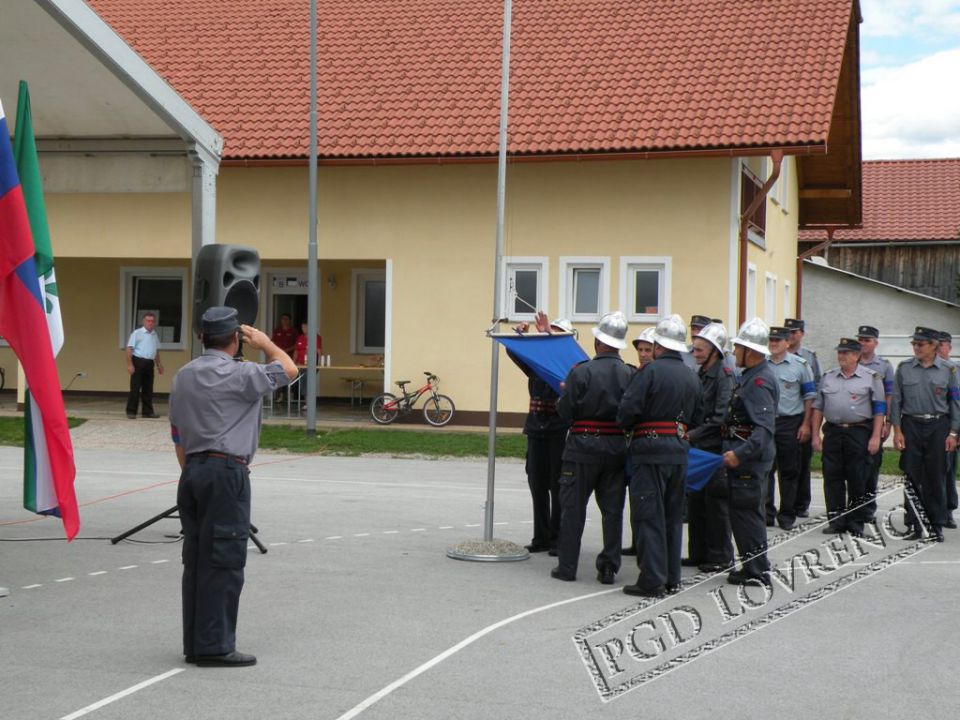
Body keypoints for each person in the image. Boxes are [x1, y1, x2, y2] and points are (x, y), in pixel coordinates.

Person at [170, 306, 298, 666]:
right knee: (224, 561)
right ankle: (215, 647)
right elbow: (289, 369)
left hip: (193, 470)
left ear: (200, 338)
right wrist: (266, 343)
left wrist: (191, 471)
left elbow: (177, 433)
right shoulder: (242, 373)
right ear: (236, 340)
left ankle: (195, 642)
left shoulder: (183, 376)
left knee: (195, 559)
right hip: (227, 471)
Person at [618, 314, 703, 597]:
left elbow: (628, 410)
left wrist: (627, 425)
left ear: (658, 345)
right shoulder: (692, 376)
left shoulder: (649, 373)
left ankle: (652, 580)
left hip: (650, 450)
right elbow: (698, 416)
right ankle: (671, 577)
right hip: (679, 451)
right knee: (672, 515)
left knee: (649, 514)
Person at [553, 311, 634, 583]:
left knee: (573, 509)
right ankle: (609, 567)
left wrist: (563, 395)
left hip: (581, 448)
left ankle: (567, 567)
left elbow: (565, 412)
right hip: (615, 448)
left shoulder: (581, 371)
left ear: (598, 341)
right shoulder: (629, 374)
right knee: (612, 511)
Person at [507, 311, 571, 555]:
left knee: (558, 486)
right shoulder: (537, 367)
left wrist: (547, 334)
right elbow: (516, 354)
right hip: (536, 429)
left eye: (555, 332)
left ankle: (557, 538)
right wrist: (520, 337)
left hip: (557, 431)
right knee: (537, 483)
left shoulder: (568, 366)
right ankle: (541, 537)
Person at [722, 318, 779, 585]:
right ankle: (752, 565)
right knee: (743, 514)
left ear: (752, 352)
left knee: (747, 514)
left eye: (739, 348)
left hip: (749, 461)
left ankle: (756, 571)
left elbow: (763, 430)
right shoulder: (752, 377)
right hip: (746, 458)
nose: (734, 353)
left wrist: (740, 454)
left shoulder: (759, 383)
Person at [891, 326, 960, 542]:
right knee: (911, 476)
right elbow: (897, 401)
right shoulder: (904, 368)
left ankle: (935, 524)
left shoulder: (949, 370)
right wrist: (897, 430)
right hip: (911, 424)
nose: (916, 348)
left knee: (936, 476)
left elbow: (955, 403)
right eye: (914, 344)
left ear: (933, 346)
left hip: (938, 426)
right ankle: (914, 524)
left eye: (920, 344)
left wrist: (953, 433)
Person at [810, 338, 885, 536]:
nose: (841, 356)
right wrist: (816, 435)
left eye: (846, 352)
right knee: (832, 477)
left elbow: (879, 409)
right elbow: (818, 407)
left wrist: (876, 436)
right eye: (840, 352)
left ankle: (855, 522)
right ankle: (836, 521)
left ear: (856, 355)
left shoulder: (871, 377)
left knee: (857, 478)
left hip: (858, 431)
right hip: (833, 431)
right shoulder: (828, 377)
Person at [685, 322, 735, 572]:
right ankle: (698, 553)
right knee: (696, 502)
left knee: (715, 505)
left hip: (713, 447)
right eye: (694, 349)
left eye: (700, 350)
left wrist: (691, 434)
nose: (696, 353)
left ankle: (720, 555)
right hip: (699, 446)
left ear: (715, 351)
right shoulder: (701, 373)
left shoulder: (723, 375)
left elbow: (720, 417)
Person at [765, 326, 815, 530]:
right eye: (771, 340)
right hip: (766, 422)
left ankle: (787, 515)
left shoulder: (800, 365)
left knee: (789, 471)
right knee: (766, 469)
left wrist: (805, 424)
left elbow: (809, 397)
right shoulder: (761, 364)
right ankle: (766, 513)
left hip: (790, 422)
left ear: (787, 343)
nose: (774, 343)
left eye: (778, 340)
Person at [856, 325, 894, 523]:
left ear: (875, 343)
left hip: (875, 421)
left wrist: (887, 422)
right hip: (856, 422)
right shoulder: (852, 360)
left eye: (867, 340)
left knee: (871, 468)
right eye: (861, 339)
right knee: (853, 468)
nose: (863, 343)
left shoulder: (884, 366)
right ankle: (852, 508)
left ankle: (868, 508)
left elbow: (889, 395)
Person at [785, 318, 820, 519]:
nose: (791, 335)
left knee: (802, 462)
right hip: (783, 415)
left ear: (802, 334)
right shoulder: (776, 354)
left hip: (801, 414)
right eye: (788, 331)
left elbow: (816, 388)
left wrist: (811, 422)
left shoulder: (809, 357)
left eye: (795, 332)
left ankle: (801, 504)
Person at [937, 331, 959, 528]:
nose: (938, 348)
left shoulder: (956, 369)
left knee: (949, 470)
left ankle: (948, 510)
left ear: (949, 348)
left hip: (951, 426)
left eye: (942, 345)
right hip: (934, 425)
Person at [125, 312, 163, 419]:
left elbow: (156, 351)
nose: (150, 323)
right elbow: (129, 349)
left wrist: (159, 365)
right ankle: (131, 411)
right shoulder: (137, 333)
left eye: (152, 321)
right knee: (135, 388)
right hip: (138, 362)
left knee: (148, 389)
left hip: (149, 363)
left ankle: (147, 412)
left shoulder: (154, 334)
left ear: (154, 322)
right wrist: (130, 365)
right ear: (143, 322)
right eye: (148, 321)